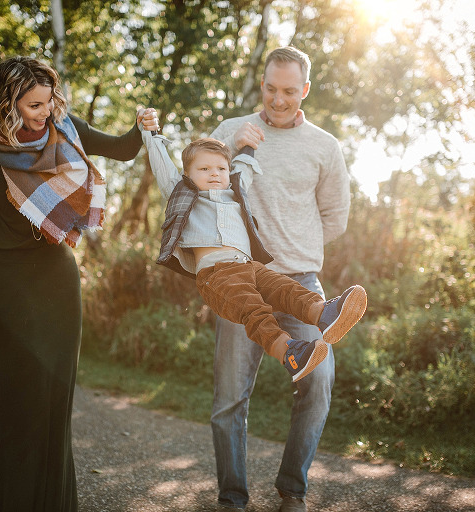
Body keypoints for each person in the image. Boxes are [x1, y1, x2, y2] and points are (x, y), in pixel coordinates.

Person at [0, 56, 159, 512]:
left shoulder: (64, 127)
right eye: (32, 105)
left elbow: (123, 149)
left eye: (48, 101)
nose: (44, 112)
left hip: (58, 279)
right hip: (11, 283)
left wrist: (142, 124)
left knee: (55, 398)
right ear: (7, 103)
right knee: (18, 397)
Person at [207, 46, 352, 511]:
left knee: (320, 378)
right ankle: (232, 497)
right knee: (230, 397)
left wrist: (295, 246)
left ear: (305, 90)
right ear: (263, 83)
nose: (278, 99)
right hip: (239, 282)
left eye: (289, 91)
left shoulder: (324, 146)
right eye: (271, 88)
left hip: (300, 283)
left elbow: (335, 218)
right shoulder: (231, 131)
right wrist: (231, 151)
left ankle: (293, 487)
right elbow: (193, 190)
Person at [139, 125, 366, 382]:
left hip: (249, 267)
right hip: (217, 274)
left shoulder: (235, 195)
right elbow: (162, 166)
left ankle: (322, 313)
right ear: (187, 175)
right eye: (204, 169)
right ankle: (289, 352)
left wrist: (250, 145)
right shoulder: (183, 194)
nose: (214, 174)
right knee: (255, 310)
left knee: (286, 288)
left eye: (220, 169)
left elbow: (244, 169)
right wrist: (150, 132)